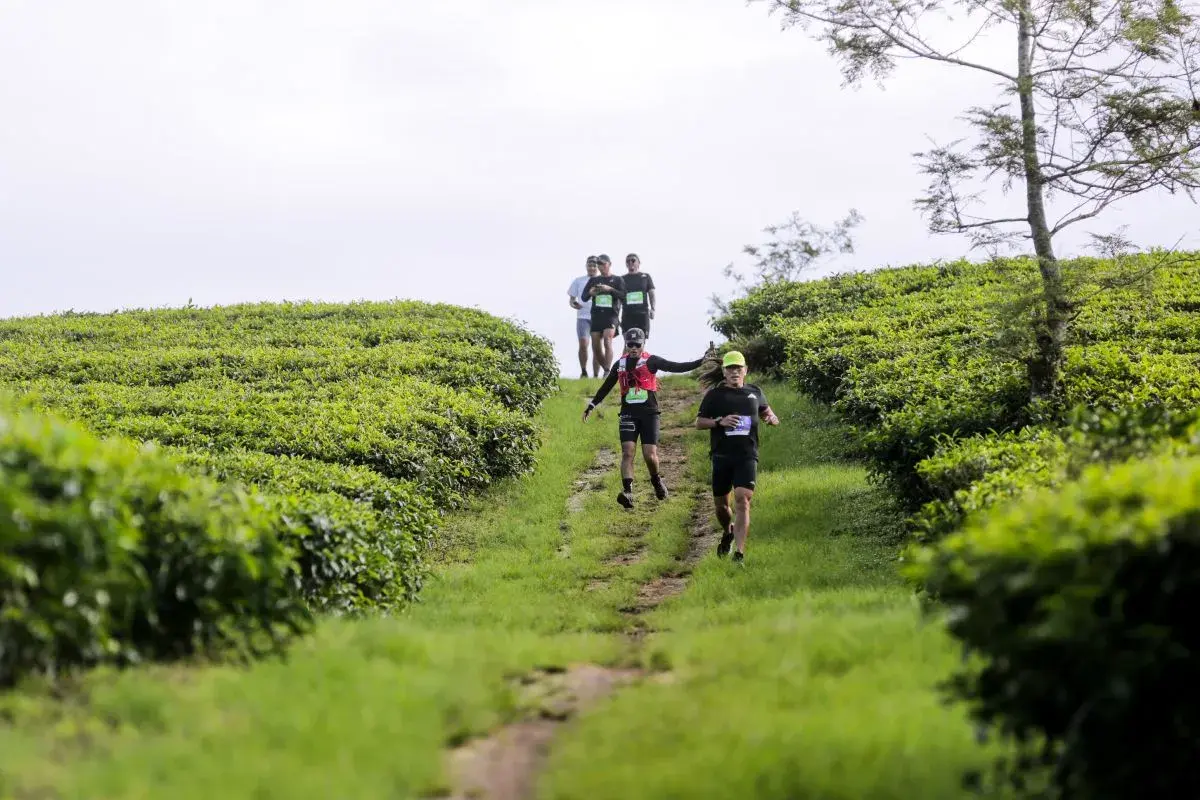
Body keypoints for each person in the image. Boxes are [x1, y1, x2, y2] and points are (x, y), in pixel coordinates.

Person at [583, 327, 714, 508]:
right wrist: (592, 405)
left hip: (650, 415)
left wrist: (701, 361)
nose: (634, 347)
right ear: (626, 344)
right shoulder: (619, 364)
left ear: (643, 344)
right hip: (628, 414)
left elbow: (675, 366)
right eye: (631, 344)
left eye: (638, 344)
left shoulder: (651, 361)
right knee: (627, 452)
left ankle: (656, 481)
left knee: (649, 456)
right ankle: (628, 492)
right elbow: (606, 387)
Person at [695, 350, 780, 565]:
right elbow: (699, 423)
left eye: (738, 368)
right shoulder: (714, 395)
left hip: (747, 455)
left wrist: (771, 417)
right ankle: (727, 530)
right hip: (722, 456)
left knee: (743, 499)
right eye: (730, 368)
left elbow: (766, 411)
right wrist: (718, 422)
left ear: (745, 370)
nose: (735, 372)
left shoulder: (755, 392)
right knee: (722, 508)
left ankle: (739, 554)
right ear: (724, 372)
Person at [583, 254, 624, 375]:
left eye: (603, 264)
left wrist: (609, 289)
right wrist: (591, 292)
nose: (601, 267)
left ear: (609, 264)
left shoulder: (617, 280)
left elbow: (623, 296)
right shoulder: (594, 280)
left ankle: (607, 372)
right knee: (595, 346)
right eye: (599, 264)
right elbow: (584, 297)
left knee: (607, 340)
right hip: (596, 315)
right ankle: (607, 369)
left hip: (611, 315)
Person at [568, 256, 601, 378]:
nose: (592, 268)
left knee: (597, 346)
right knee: (583, 344)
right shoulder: (579, 280)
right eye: (590, 265)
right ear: (586, 266)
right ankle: (584, 371)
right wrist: (574, 304)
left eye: (594, 266)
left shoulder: (602, 280)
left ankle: (596, 375)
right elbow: (571, 300)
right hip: (583, 317)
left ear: (598, 267)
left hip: (598, 317)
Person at [619, 253, 656, 338]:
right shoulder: (621, 279)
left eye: (633, 260)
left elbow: (652, 294)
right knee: (628, 342)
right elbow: (618, 298)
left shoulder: (645, 276)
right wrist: (616, 317)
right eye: (628, 261)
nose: (630, 262)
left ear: (638, 263)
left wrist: (653, 309)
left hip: (642, 314)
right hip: (627, 314)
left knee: (640, 342)